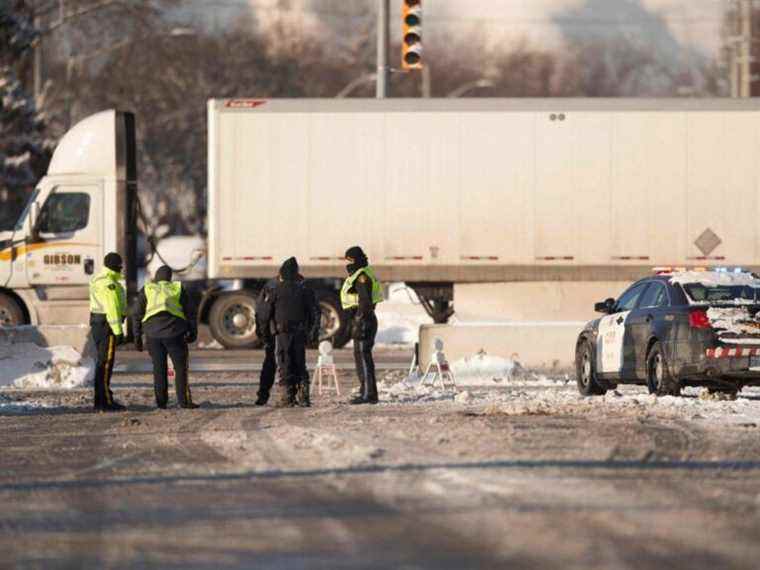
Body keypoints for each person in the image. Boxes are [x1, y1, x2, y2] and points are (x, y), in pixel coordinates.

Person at [132, 265, 199, 409]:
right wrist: (193, 332)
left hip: (152, 335)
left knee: (159, 368)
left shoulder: (148, 289)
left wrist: (137, 337)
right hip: (175, 334)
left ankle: (161, 402)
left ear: (156, 277)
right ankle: (184, 401)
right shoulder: (177, 288)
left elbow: (136, 314)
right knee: (180, 368)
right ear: (169, 277)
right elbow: (191, 312)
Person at [262, 257, 320, 407]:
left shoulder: (275, 291)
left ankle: (287, 397)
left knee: (284, 362)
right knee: (300, 363)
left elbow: (265, 314)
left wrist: (264, 333)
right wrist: (314, 331)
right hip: (300, 333)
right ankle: (304, 396)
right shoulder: (305, 290)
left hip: (283, 334)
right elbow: (315, 312)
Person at [341, 246, 383, 405]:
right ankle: (364, 389)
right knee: (360, 356)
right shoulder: (361, 273)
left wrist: (359, 321)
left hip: (363, 320)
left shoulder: (361, 276)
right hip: (363, 319)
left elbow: (365, 302)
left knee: (364, 357)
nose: (348, 263)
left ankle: (369, 394)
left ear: (357, 260)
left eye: (350, 260)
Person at [89, 252, 127, 412]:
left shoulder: (99, 278)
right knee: (105, 364)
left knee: (101, 363)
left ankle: (100, 400)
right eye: (120, 266)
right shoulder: (109, 283)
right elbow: (111, 309)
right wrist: (118, 331)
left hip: (98, 324)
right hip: (107, 326)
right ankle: (105, 402)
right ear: (116, 266)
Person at [254, 277, 278, 406]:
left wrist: (263, 333)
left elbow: (262, 312)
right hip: (291, 333)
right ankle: (297, 396)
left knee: (270, 364)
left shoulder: (271, 286)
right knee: (295, 365)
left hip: (274, 333)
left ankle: (263, 395)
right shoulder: (300, 284)